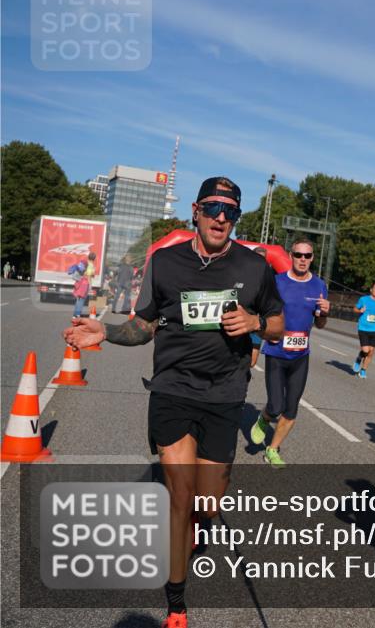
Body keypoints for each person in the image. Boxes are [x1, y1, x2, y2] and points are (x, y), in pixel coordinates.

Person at [64, 177, 284, 628]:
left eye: (231, 211)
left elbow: (279, 324)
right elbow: (145, 325)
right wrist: (105, 331)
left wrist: (256, 320)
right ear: (197, 211)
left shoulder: (255, 267)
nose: (222, 217)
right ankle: (177, 606)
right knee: (178, 500)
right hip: (173, 389)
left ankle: (199, 525)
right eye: (214, 207)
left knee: (207, 503)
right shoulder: (165, 262)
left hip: (225, 394)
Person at [250, 239, 329, 468]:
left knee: (291, 408)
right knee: (275, 406)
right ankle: (264, 418)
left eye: (307, 256)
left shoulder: (319, 286)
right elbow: (261, 313)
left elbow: (320, 323)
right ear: (291, 256)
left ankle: (272, 449)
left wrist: (324, 314)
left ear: (312, 258)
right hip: (276, 352)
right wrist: (266, 333)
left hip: (300, 355)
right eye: (298, 255)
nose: (302, 259)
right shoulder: (276, 282)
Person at [352, 283, 375, 379]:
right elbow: (354, 309)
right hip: (363, 328)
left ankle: (363, 370)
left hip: (374, 329)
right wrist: (360, 311)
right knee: (365, 350)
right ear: (371, 290)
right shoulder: (363, 299)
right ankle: (359, 358)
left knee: (371, 352)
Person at [249, 246, 269, 367]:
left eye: (263, 259)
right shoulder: (242, 274)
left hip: (257, 326)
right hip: (240, 324)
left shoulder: (268, 279)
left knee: (252, 362)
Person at [70, 252, 96, 317]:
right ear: (94, 259)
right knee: (82, 299)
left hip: (79, 282)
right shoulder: (91, 265)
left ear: (88, 257)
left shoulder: (84, 263)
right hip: (85, 283)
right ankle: (78, 314)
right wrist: (90, 285)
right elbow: (89, 276)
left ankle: (75, 314)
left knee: (78, 299)